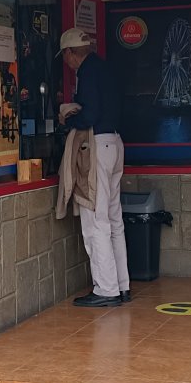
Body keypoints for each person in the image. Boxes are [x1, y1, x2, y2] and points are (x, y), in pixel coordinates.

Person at [58, 27, 130, 308]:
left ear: (70, 53)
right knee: (114, 219)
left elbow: (90, 114)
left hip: (98, 145)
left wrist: (69, 118)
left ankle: (106, 289)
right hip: (116, 142)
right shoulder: (105, 68)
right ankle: (122, 285)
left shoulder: (87, 72)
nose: (67, 63)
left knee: (95, 220)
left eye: (66, 57)